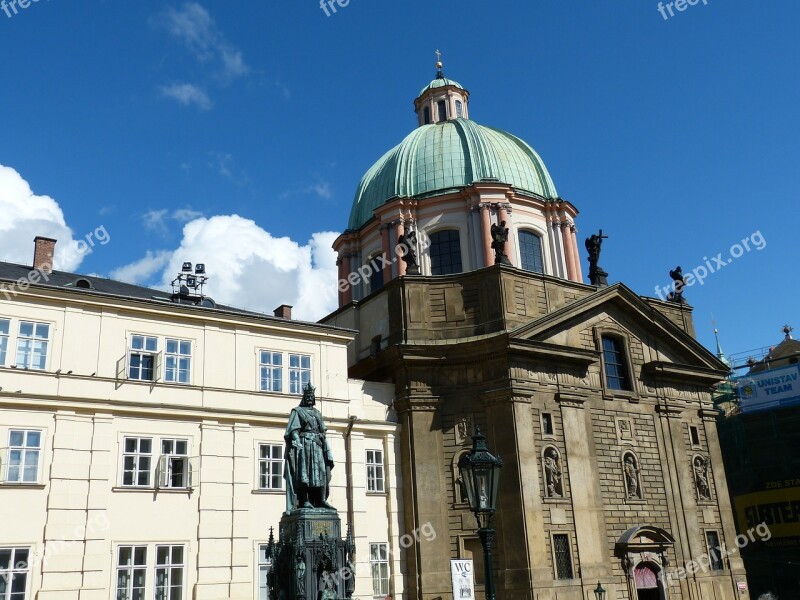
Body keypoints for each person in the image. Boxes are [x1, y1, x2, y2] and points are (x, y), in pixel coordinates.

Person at [284, 382, 335, 511]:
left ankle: (321, 500)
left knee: (323, 473)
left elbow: (322, 430)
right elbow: (293, 429)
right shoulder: (298, 411)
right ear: (304, 397)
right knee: (304, 474)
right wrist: (296, 439)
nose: (310, 398)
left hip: (318, 445)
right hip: (305, 445)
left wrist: (323, 440)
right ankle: (304, 500)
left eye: (312, 396)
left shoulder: (317, 413)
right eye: (308, 396)